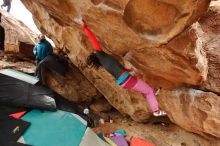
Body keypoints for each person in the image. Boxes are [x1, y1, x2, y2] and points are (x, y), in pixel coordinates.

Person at [74, 18, 166, 116]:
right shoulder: (100, 55)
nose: (95, 50)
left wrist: (128, 70)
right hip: (127, 80)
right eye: (95, 52)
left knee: (144, 84)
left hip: (125, 81)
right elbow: (93, 39)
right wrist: (84, 27)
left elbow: (116, 68)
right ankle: (156, 111)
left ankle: (154, 91)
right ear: (96, 55)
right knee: (148, 91)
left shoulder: (104, 63)